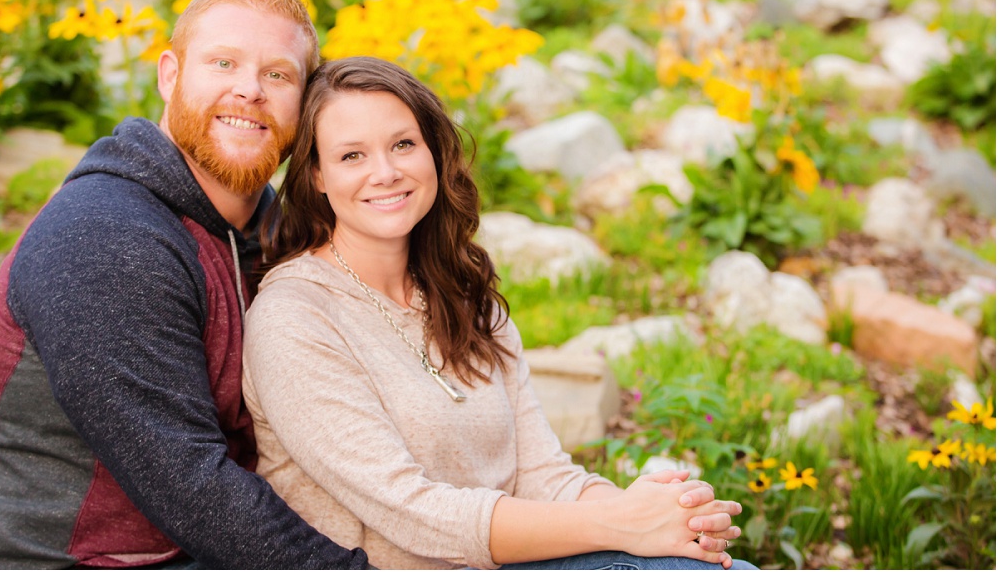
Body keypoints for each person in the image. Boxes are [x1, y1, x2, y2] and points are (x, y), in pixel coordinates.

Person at [243, 56, 753, 571]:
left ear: (434, 153)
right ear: (317, 176)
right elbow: (413, 514)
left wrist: (658, 513)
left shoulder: (460, 289)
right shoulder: (294, 318)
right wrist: (621, 523)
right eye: (352, 155)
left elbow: (541, 474)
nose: (385, 172)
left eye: (403, 144)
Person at [0, 0, 369, 569]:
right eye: (222, 63)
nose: (249, 91)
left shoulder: (267, 231)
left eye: (277, 74)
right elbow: (193, 489)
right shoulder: (105, 239)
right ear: (169, 76)